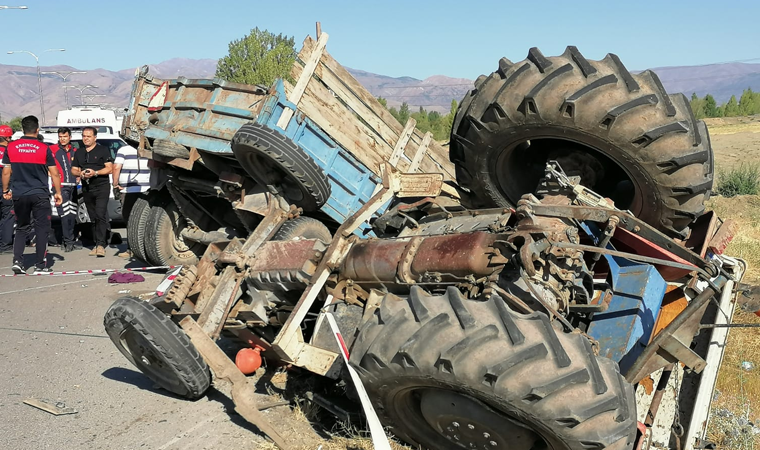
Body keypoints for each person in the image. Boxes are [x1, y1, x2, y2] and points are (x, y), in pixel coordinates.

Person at [1, 116, 62, 274]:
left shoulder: (12, 147)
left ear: (22, 129)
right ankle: (40, 265)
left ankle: (18, 261)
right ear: (37, 129)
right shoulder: (44, 148)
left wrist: (5, 190)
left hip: (19, 194)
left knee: (21, 228)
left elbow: (6, 172)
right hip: (39, 194)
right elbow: (55, 174)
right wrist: (58, 193)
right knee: (42, 229)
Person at [71, 126, 112, 257]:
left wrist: (95, 173)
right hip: (87, 188)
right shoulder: (79, 152)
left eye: (88, 136)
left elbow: (109, 168)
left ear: (95, 137)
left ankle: (101, 245)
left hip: (102, 187)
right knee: (92, 216)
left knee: (100, 214)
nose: (86, 138)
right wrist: (81, 173)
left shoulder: (103, 150)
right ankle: (96, 243)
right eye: (84, 136)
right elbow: (73, 169)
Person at [50, 127, 80, 252]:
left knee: (72, 214)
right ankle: (67, 241)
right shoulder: (52, 149)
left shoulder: (75, 150)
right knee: (64, 214)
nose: (62, 139)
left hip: (73, 186)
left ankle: (69, 240)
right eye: (60, 136)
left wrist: (79, 175)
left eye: (65, 136)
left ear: (70, 137)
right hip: (60, 186)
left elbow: (80, 166)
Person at [0, 124, 14, 254]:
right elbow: (9, 172)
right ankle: (5, 245)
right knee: (8, 215)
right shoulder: (9, 152)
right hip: (5, 188)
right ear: (7, 138)